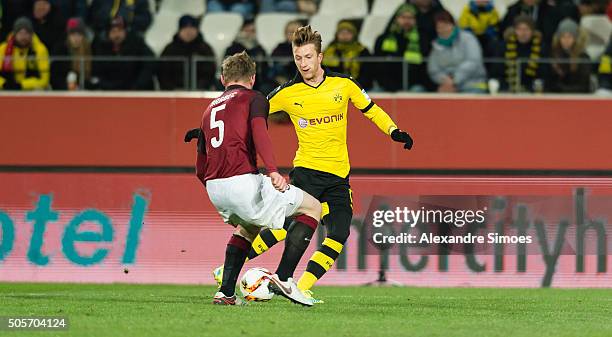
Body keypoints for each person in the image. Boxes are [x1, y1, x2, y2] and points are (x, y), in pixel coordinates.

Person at [213, 26, 414, 303]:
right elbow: (249, 113)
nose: (303, 63)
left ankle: (303, 286)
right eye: (298, 58)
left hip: (338, 176)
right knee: (283, 227)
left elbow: (371, 109)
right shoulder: (286, 92)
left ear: (320, 56)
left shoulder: (344, 84)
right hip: (307, 171)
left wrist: (393, 131)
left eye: (308, 57)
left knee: (339, 233)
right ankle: (229, 272)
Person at [186, 51, 321, 306]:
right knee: (313, 208)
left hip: (214, 187)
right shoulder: (255, 99)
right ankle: (285, 278)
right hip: (242, 182)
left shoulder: (209, 109)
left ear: (223, 78)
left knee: (248, 227)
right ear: (253, 78)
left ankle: (226, 293)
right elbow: (260, 133)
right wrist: (272, 170)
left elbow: (200, 167)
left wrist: (215, 187)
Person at [374, 3, 430, 92]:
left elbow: (425, 68)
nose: (406, 21)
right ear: (396, 19)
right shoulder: (383, 39)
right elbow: (378, 66)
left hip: (414, 85)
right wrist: (389, 85)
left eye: (410, 18)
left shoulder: (423, 39)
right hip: (387, 85)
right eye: (403, 17)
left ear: (416, 20)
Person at [427, 10, 487, 93]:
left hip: (473, 85)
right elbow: (433, 70)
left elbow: (473, 61)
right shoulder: (436, 45)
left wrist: (454, 79)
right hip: (447, 87)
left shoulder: (468, 38)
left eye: (446, 26)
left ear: (453, 25)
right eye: (439, 27)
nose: (443, 30)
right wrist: (445, 80)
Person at [91, 16, 154, 90]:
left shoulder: (137, 43)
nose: (117, 35)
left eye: (120, 31)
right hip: (109, 91)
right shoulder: (100, 46)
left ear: (125, 31)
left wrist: (138, 85)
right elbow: (96, 71)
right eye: (113, 31)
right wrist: (105, 85)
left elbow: (150, 63)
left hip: (134, 90)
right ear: (108, 33)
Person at [158, 15, 216, 90]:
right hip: (173, 93)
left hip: (200, 92)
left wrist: (200, 87)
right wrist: (171, 89)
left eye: (192, 28)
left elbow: (210, 72)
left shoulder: (205, 49)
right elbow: (163, 73)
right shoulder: (169, 49)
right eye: (185, 28)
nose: (188, 31)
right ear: (179, 30)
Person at [493, 15, 548, 93]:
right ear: (514, 30)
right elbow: (497, 71)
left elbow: (544, 73)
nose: (523, 33)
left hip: (532, 91)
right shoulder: (504, 47)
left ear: (532, 31)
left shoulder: (541, 48)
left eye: (526, 29)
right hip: (507, 90)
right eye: (519, 29)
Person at [500, 0, 579, 48]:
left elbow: (552, 34)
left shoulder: (550, 11)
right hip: (515, 47)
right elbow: (503, 31)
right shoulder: (513, 10)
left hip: (542, 48)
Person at [0, 17, 49, 90]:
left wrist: (22, 85)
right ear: (14, 34)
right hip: (6, 90)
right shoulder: (3, 49)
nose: (23, 37)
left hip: (31, 92)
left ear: (31, 34)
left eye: (26, 33)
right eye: (20, 33)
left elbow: (44, 80)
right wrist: (4, 84)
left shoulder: (40, 50)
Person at [322, 20, 373, 90]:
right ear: (337, 35)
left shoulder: (363, 51)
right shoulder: (329, 51)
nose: (344, 35)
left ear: (354, 35)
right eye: (341, 32)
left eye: (348, 33)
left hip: (360, 88)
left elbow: (368, 74)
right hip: (334, 88)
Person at [225, 20, 271, 93]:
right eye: (247, 30)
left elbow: (266, 69)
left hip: (256, 82)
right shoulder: (232, 49)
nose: (249, 33)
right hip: (236, 80)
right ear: (241, 31)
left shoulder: (260, 49)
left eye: (252, 31)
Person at [546, 18, 591, 93]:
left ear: (575, 38)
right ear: (558, 38)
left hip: (578, 97)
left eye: (569, 36)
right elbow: (549, 82)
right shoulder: (553, 55)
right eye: (563, 36)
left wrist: (563, 90)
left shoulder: (583, 57)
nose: (566, 40)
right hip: (555, 97)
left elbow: (584, 86)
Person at [50, 17, 92, 90]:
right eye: (73, 34)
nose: (76, 38)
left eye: (79, 34)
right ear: (68, 35)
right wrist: (66, 87)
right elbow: (54, 76)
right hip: (63, 92)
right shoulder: (61, 50)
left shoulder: (88, 49)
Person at [269, 20, 301, 87]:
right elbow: (274, 65)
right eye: (291, 32)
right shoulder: (280, 47)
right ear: (285, 33)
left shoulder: (309, 48)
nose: (294, 34)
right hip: (280, 81)